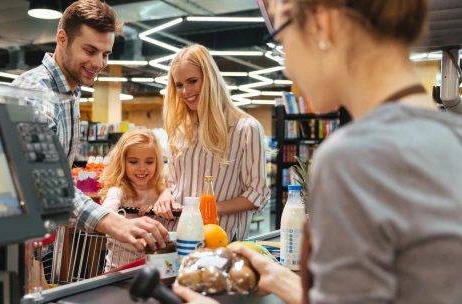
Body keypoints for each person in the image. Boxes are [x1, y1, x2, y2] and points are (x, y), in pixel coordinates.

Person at [175, 0, 462, 303]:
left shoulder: (352, 157)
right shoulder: (451, 136)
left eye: (283, 40)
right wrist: (286, 283)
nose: (287, 66)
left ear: (322, 25)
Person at [11, 0, 168, 250]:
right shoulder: (36, 96)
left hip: (38, 235)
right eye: (90, 50)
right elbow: (44, 182)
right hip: (14, 237)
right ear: (62, 38)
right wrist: (112, 222)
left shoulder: (69, 92)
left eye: (105, 54)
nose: (99, 63)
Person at [154, 44, 271, 241]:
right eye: (179, 85)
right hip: (177, 233)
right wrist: (165, 194)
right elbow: (174, 182)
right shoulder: (180, 129)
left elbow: (258, 193)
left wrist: (209, 208)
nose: (185, 91)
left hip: (219, 237)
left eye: (192, 81)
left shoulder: (245, 128)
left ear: (210, 79)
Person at [99, 129, 179, 271]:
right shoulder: (119, 191)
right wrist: (133, 222)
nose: (142, 168)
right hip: (119, 270)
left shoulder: (160, 192)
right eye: (134, 162)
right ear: (122, 162)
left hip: (155, 267)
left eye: (149, 162)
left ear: (157, 162)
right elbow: (105, 212)